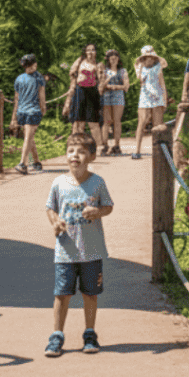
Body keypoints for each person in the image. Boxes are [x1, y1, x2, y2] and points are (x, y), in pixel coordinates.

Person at [44, 132, 114, 357]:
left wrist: (98, 211)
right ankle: (57, 335)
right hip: (65, 251)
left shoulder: (97, 182)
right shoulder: (59, 183)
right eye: (71, 151)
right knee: (62, 294)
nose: (75, 155)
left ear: (91, 156)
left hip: (91, 251)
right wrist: (56, 223)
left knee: (90, 293)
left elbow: (108, 206)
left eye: (81, 151)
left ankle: (90, 333)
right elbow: (50, 208)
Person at [10, 53, 47, 173]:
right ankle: (36, 162)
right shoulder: (37, 77)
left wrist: (42, 108)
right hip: (25, 111)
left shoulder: (21, 78)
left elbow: (17, 99)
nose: (31, 67)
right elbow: (17, 99)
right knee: (29, 138)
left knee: (28, 137)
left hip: (31, 111)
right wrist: (14, 117)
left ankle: (23, 163)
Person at [63, 44, 105, 150]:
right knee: (78, 121)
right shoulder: (80, 60)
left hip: (92, 92)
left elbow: (101, 80)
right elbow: (72, 74)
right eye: (88, 50)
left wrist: (101, 90)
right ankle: (76, 144)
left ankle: (98, 146)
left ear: (96, 52)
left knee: (93, 121)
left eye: (93, 50)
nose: (90, 52)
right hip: (80, 90)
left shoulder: (99, 64)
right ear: (85, 52)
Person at [132, 45, 167, 159]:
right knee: (142, 122)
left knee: (158, 125)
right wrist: (140, 65)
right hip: (145, 97)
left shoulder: (158, 68)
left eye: (152, 57)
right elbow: (138, 76)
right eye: (147, 57)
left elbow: (162, 84)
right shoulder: (140, 68)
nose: (150, 59)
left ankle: (158, 150)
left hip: (157, 97)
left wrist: (164, 100)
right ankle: (137, 150)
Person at [100, 49, 129, 156]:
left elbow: (126, 87)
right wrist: (108, 83)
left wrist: (114, 87)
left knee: (117, 121)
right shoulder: (105, 71)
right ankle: (105, 145)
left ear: (118, 59)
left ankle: (117, 145)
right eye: (111, 58)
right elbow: (101, 86)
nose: (113, 60)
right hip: (106, 97)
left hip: (118, 96)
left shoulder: (122, 71)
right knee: (106, 121)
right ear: (108, 60)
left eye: (115, 58)